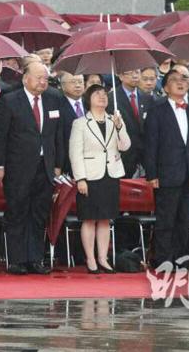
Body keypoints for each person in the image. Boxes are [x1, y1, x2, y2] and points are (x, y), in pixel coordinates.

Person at [0, 61, 64, 275]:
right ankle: (17, 260)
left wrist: (58, 164)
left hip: (45, 166)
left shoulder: (54, 98)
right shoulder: (10, 100)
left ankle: (35, 258)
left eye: (45, 78)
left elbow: (58, 134)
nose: (43, 82)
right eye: (39, 78)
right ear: (25, 78)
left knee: (39, 213)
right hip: (17, 167)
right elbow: (0, 136)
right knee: (17, 212)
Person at [144, 68, 189, 269]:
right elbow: (150, 144)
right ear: (166, 87)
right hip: (166, 173)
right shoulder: (157, 109)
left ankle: (183, 260)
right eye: (174, 80)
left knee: (185, 219)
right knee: (166, 219)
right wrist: (151, 174)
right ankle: (163, 260)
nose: (180, 83)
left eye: (184, 79)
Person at [69, 84, 130, 274]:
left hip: (110, 174)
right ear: (88, 99)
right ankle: (90, 258)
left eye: (104, 94)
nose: (102, 97)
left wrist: (120, 127)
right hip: (90, 176)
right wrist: (80, 178)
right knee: (89, 219)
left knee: (105, 219)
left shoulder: (114, 120)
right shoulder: (80, 123)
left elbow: (125, 146)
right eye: (97, 94)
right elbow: (75, 153)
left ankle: (103, 258)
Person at [107, 69, 150, 178]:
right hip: (123, 158)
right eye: (130, 72)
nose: (135, 76)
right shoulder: (111, 99)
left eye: (137, 72)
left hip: (145, 158)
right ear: (121, 76)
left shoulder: (147, 97)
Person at [59, 73, 85, 174]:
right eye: (73, 82)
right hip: (67, 162)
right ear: (63, 86)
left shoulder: (91, 103)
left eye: (80, 82)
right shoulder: (57, 106)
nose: (78, 85)